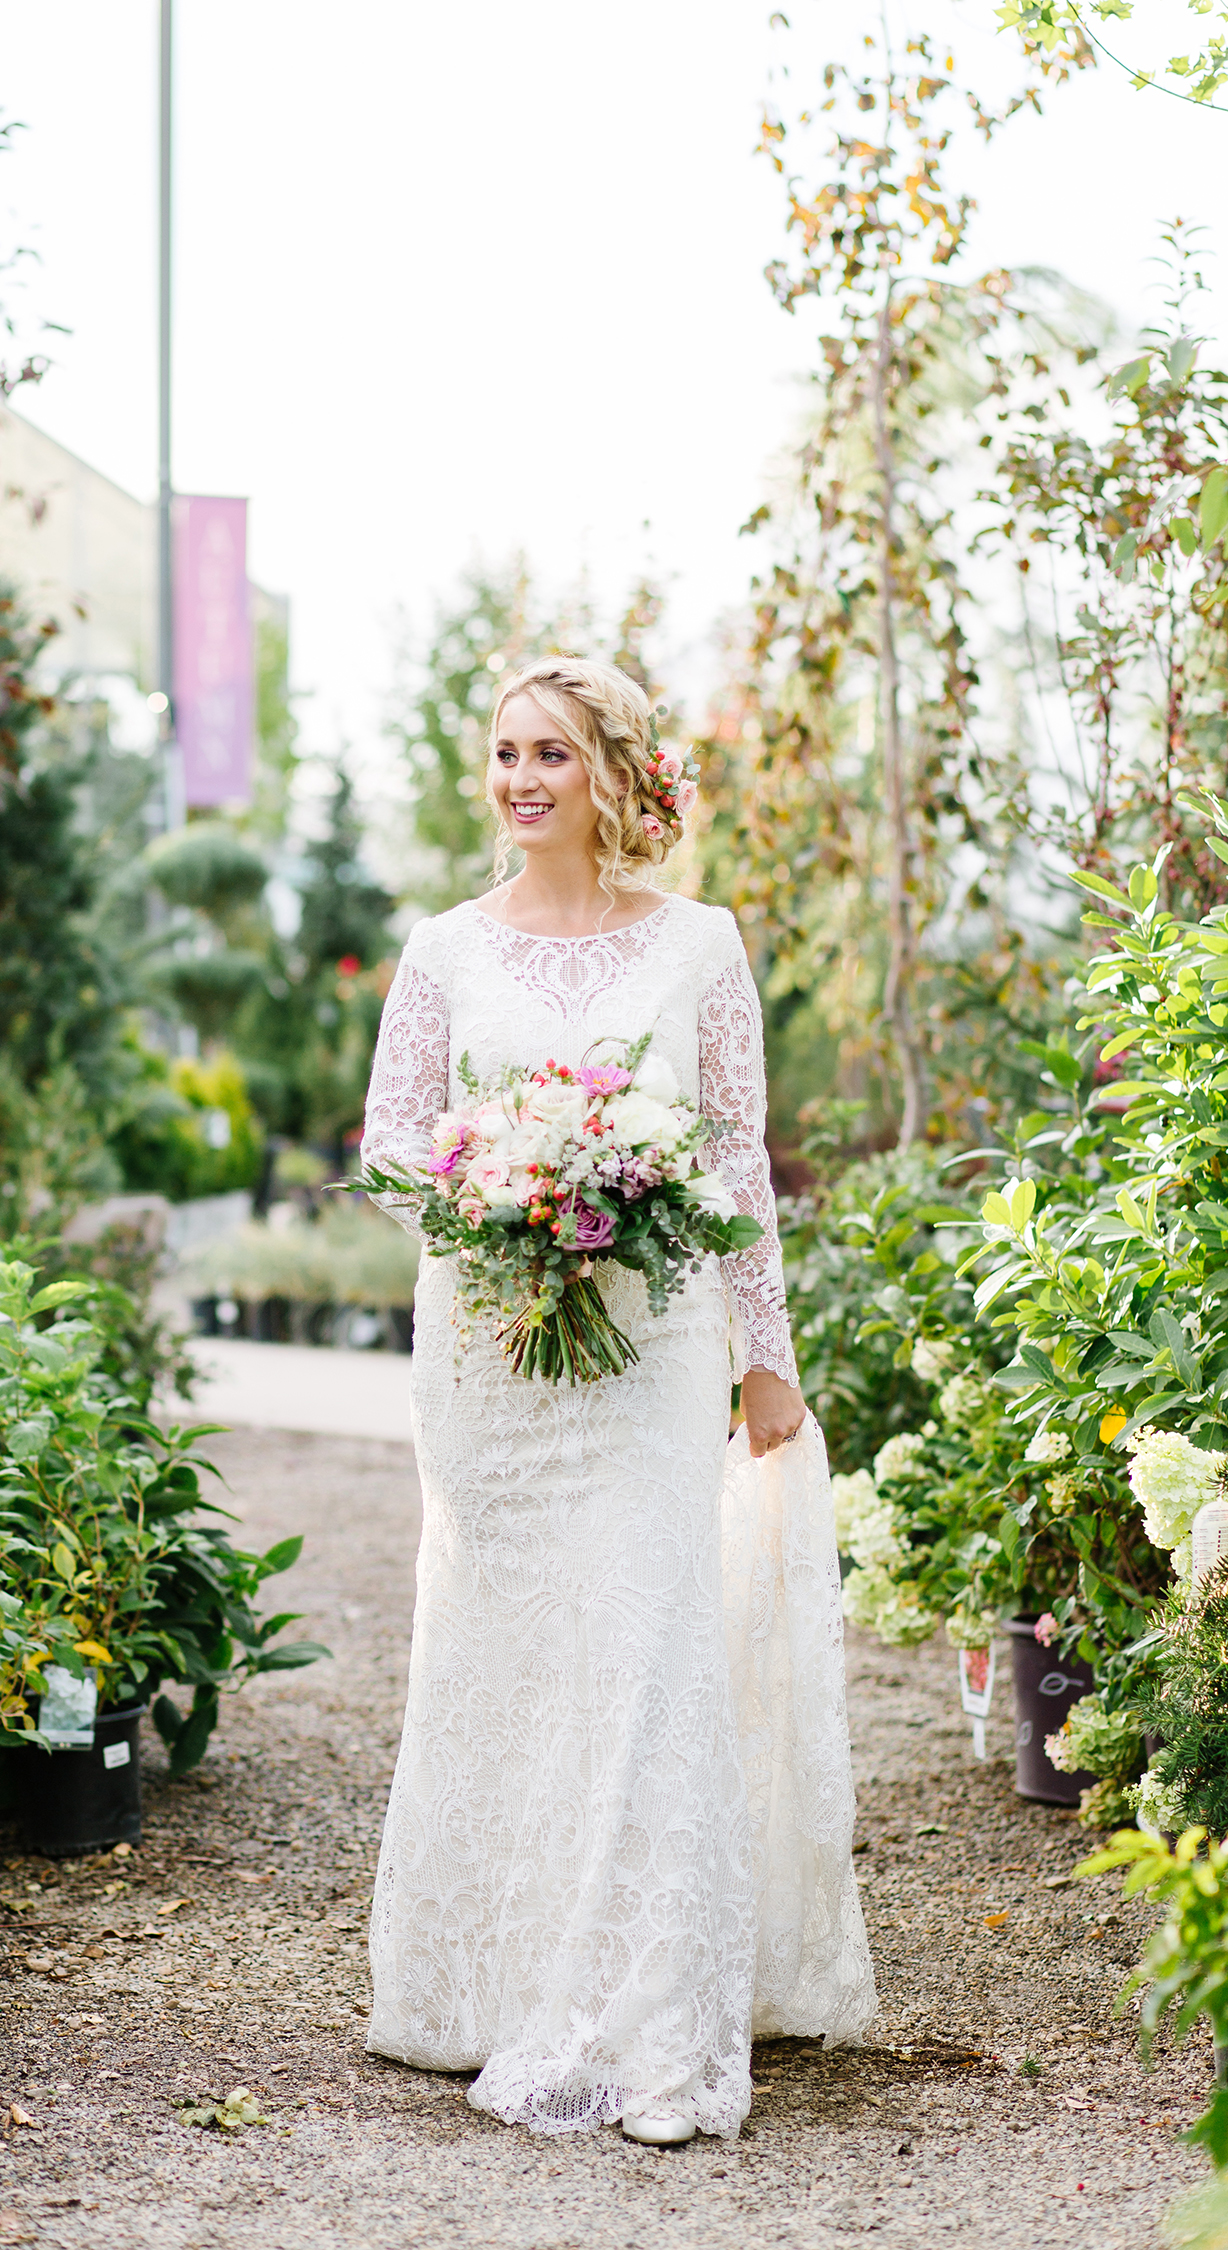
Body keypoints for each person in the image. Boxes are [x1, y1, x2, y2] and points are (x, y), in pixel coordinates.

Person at [360, 655, 873, 2144]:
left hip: (653, 1354)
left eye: (553, 754)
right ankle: (484, 1983)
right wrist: (506, 1192)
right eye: (506, 752)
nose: (523, 778)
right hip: (491, 1357)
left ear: (609, 773)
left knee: (649, 1652)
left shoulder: (700, 945)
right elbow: (396, 1142)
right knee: (506, 1656)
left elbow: (735, 1164)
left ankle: (655, 2018)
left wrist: (760, 1357)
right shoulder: (440, 951)